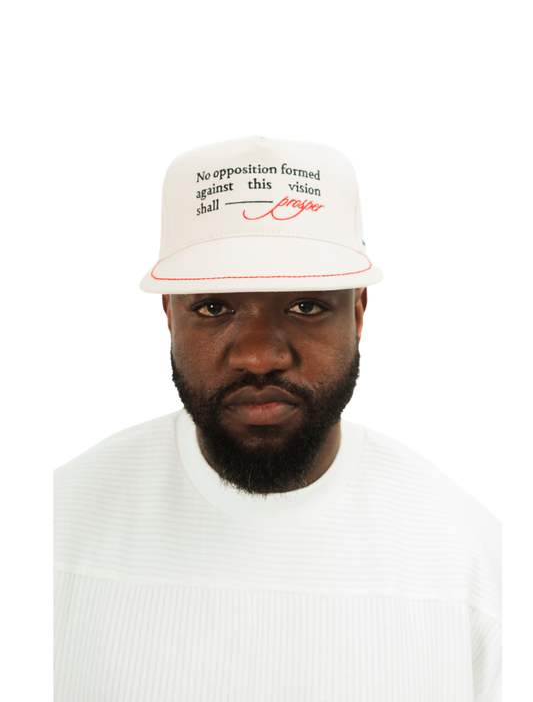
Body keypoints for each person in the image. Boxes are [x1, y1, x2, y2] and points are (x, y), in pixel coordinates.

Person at [54, 136, 501, 701]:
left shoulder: (474, 564)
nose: (259, 356)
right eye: (214, 306)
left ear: (358, 311)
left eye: (305, 305)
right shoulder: (52, 534)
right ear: (169, 313)